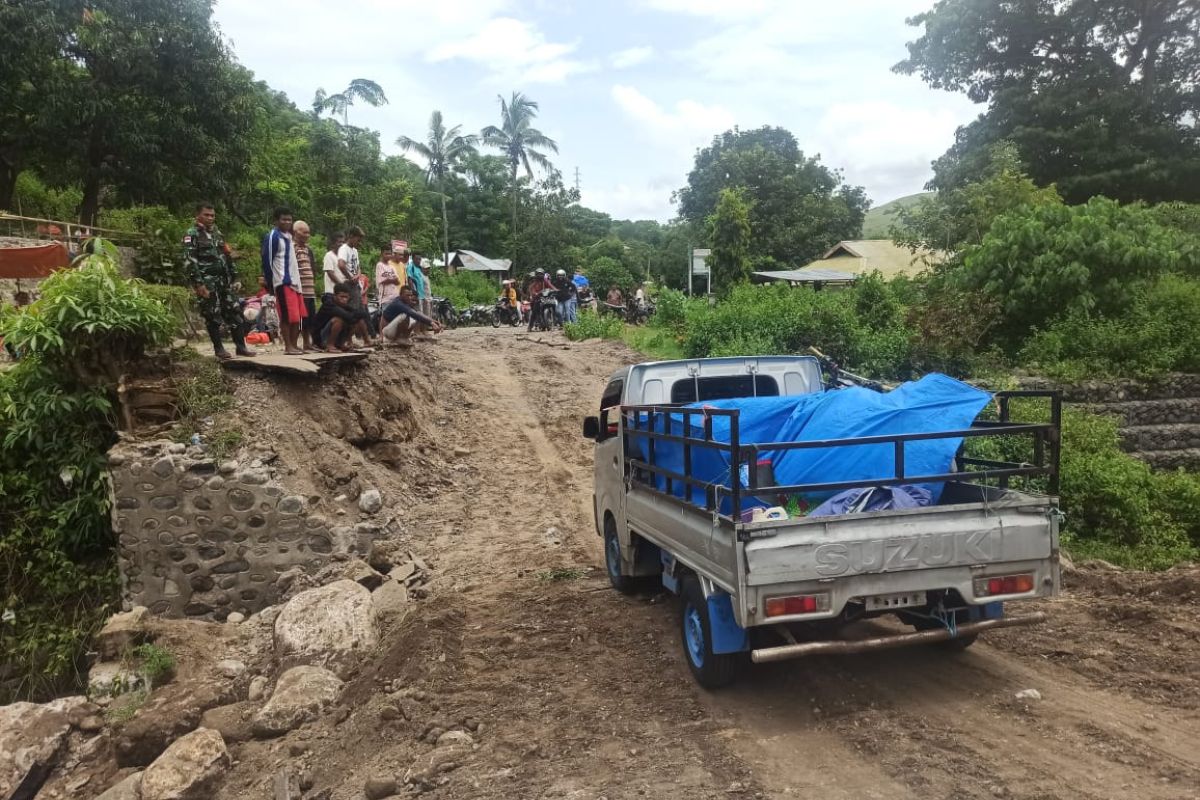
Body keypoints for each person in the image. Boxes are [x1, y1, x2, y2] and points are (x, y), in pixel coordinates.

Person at [184, 202, 255, 360]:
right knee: (212, 315)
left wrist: (235, 277)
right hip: (207, 283)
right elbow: (190, 261)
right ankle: (219, 349)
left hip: (225, 282)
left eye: (212, 215)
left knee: (235, 312)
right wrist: (198, 284)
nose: (210, 218)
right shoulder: (192, 234)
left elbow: (227, 256)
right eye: (206, 215)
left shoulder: (218, 233)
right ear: (198, 215)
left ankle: (241, 347)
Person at [261, 206, 305, 355]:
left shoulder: (289, 236)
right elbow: (267, 260)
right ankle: (288, 346)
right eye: (283, 219)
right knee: (287, 316)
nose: (287, 222)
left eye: (289, 219)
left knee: (296, 316)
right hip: (282, 281)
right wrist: (270, 282)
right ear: (276, 220)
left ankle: (294, 344)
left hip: (295, 282)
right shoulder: (273, 236)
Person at [320, 283, 374, 353]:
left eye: (346, 297)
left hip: (338, 337)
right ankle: (330, 345)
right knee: (338, 320)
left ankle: (365, 341)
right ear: (335, 296)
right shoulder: (329, 304)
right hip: (322, 337)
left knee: (358, 319)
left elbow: (362, 314)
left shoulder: (345, 306)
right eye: (341, 297)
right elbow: (348, 316)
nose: (344, 299)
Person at [379, 284, 443, 343]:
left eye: (410, 295)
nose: (409, 297)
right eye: (407, 295)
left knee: (417, 314)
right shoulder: (398, 303)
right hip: (388, 332)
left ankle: (405, 337)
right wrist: (431, 323)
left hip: (393, 329)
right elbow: (413, 314)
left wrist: (434, 322)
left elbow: (417, 313)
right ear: (401, 295)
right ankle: (398, 338)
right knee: (406, 315)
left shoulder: (406, 302)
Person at [292, 220, 318, 352]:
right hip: (299, 290)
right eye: (304, 232)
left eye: (308, 232)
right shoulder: (292, 248)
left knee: (310, 318)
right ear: (296, 232)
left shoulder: (308, 249)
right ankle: (294, 344)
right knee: (301, 319)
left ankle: (307, 343)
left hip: (310, 289)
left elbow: (313, 267)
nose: (307, 235)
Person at [337, 226, 365, 312]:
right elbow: (341, 265)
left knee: (360, 310)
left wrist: (358, 275)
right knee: (353, 311)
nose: (359, 242)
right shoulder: (344, 249)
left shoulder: (355, 251)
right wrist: (350, 278)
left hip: (356, 284)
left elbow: (358, 267)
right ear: (351, 236)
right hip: (348, 283)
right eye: (358, 240)